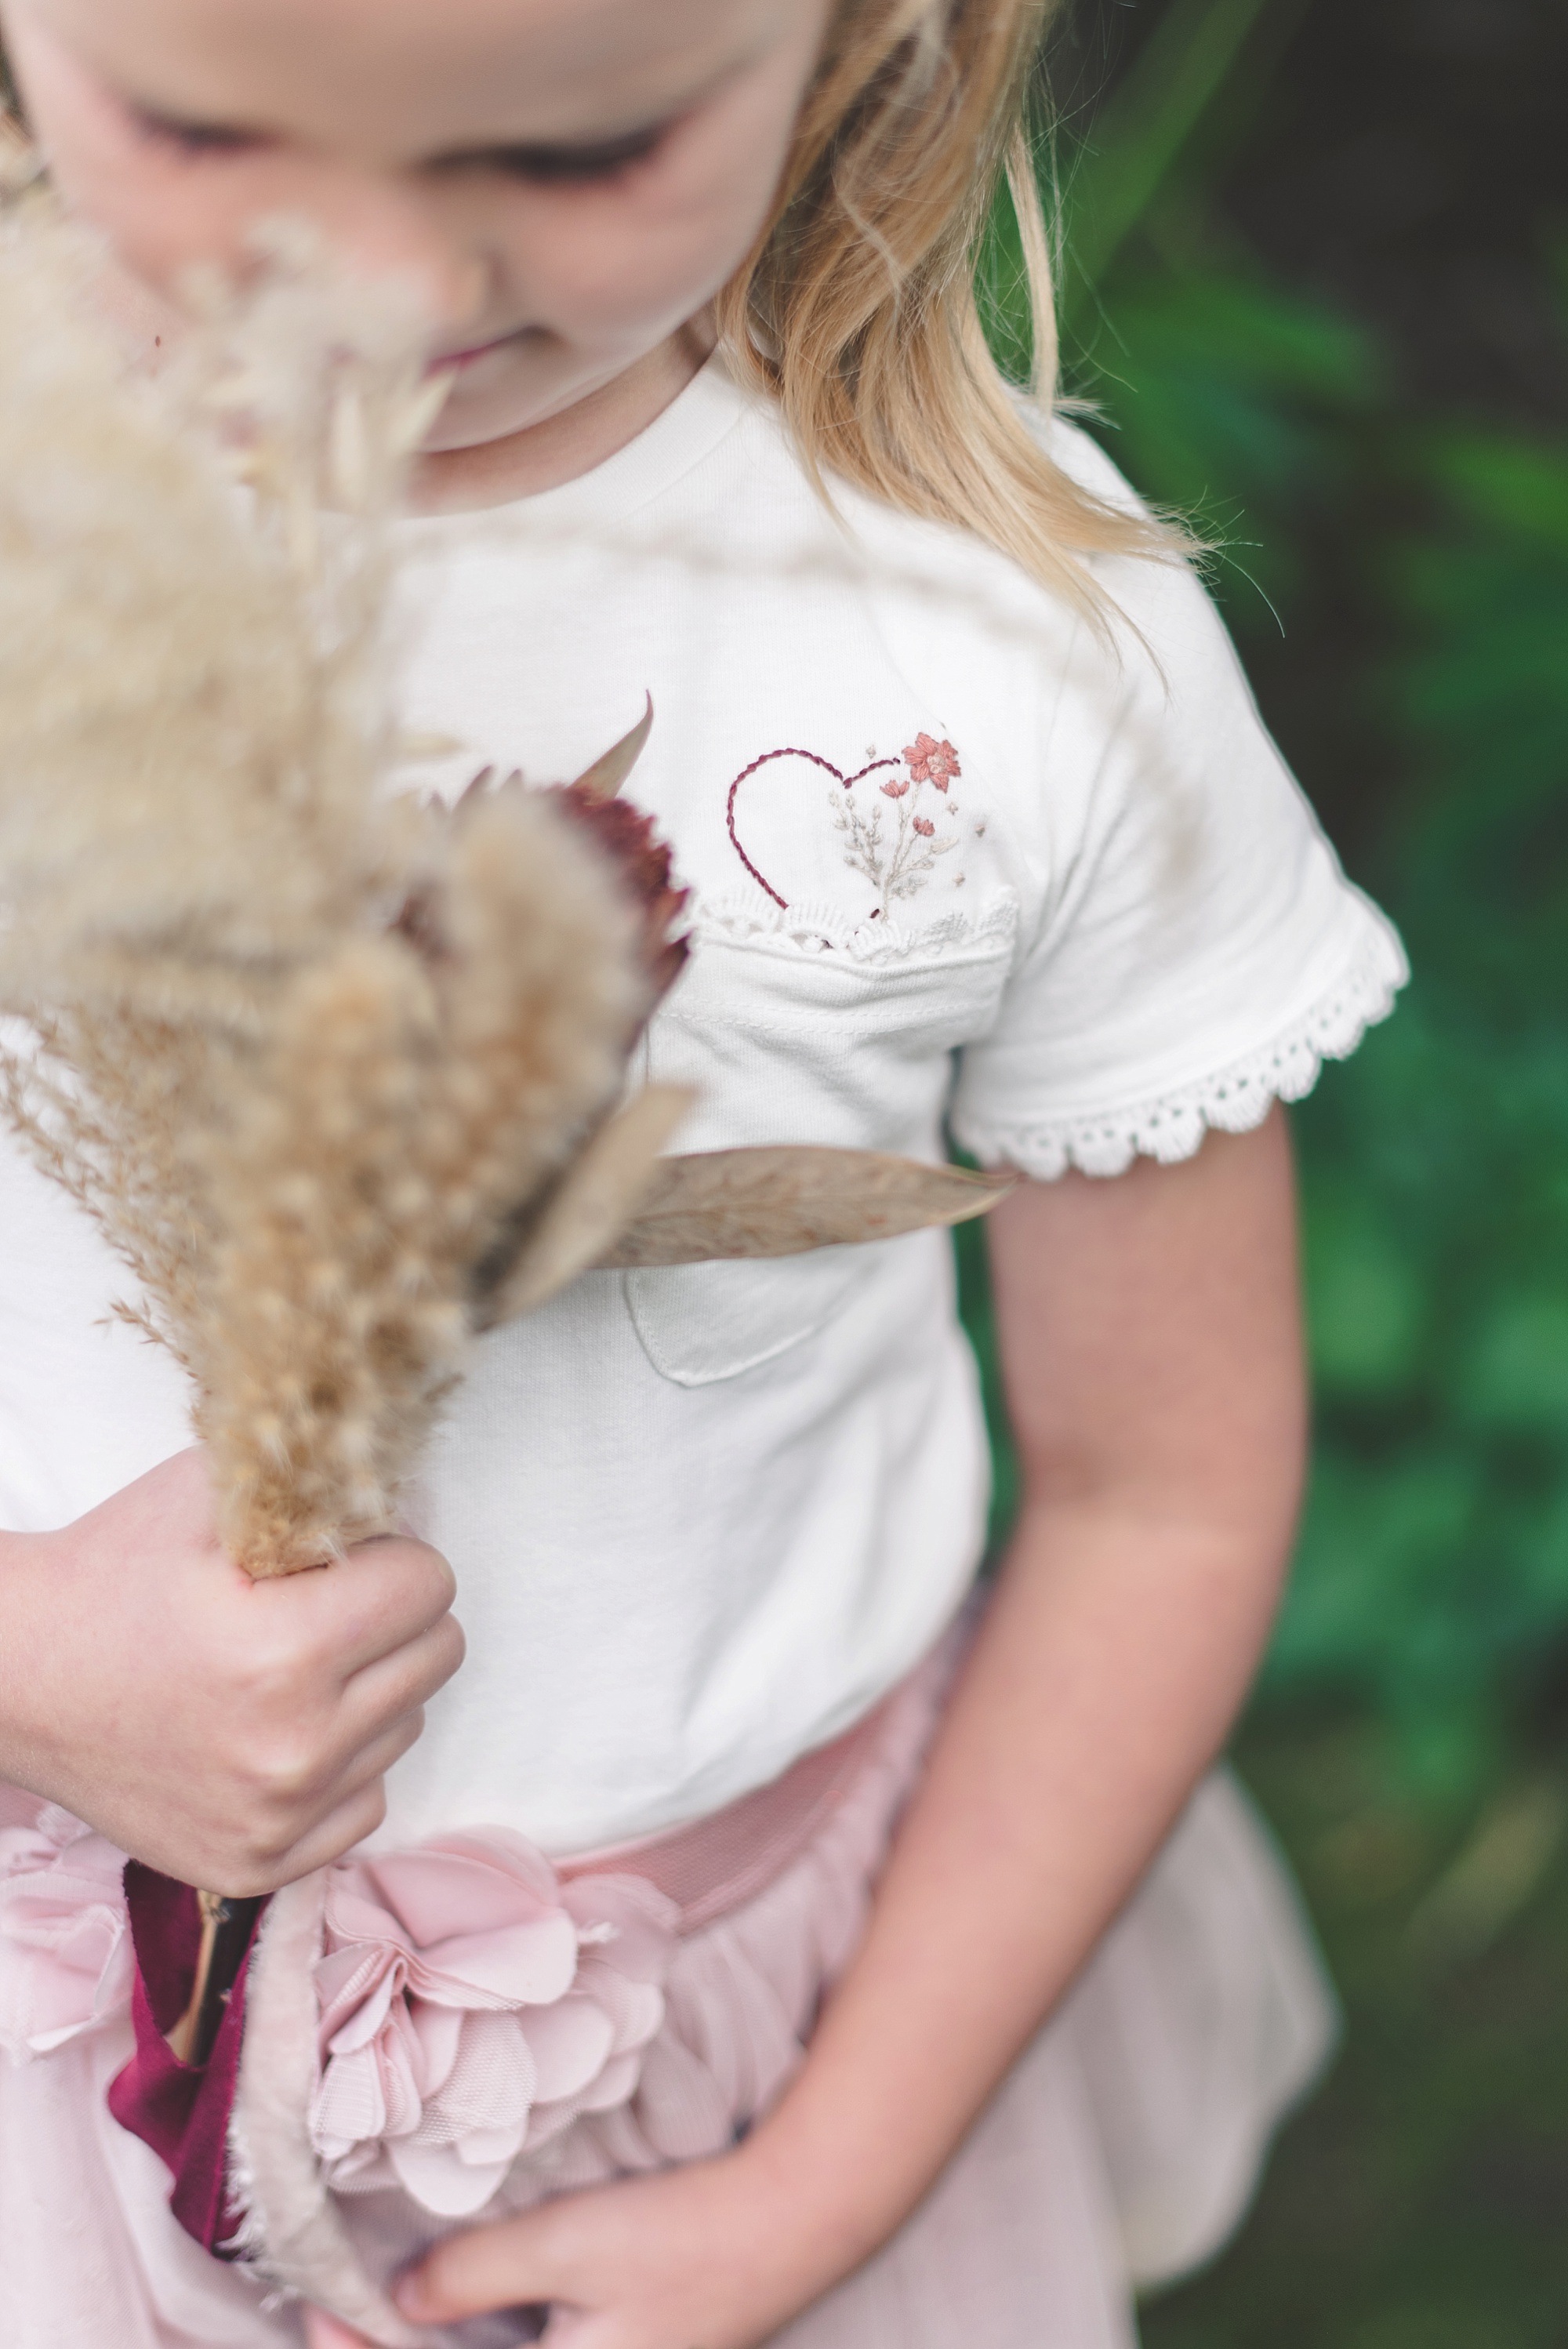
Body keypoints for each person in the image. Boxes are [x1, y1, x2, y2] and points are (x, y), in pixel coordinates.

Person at [0, 2, 1406, 2344]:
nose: (388, 282)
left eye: (573, 150)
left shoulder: (1009, 660)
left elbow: (1161, 1486)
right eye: (212, 125)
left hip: (745, 2078)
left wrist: (824, 2185)